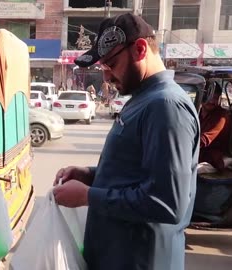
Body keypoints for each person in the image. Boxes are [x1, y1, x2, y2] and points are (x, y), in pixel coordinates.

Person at [52, 13, 199, 270]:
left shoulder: (165, 106)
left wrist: (89, 196)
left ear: (140, 49)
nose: (106, 77)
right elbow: (134, 173)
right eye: (102, 68)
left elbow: (166, 202)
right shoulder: (143, 99)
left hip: (140, 260)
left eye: (111, 64)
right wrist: (90, 175)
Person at [198, 82, 229, 170]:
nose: (211, 101)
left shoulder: (221, 116)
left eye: (215, 98)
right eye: (209, 97)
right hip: (195, 155)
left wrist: (183, 144)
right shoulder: (197, 111)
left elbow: (204, 140)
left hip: (210, 161)